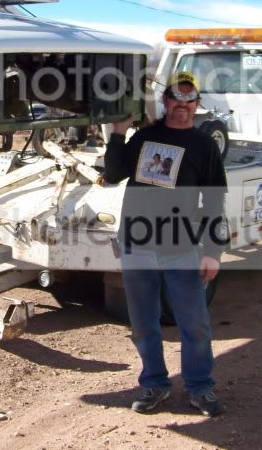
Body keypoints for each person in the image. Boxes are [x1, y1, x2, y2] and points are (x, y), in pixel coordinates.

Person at [103, 71, 228, 416]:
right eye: (176, 99)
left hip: (181, 248)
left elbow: (215, 202)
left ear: (197, 104)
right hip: (137, 246)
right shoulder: (145, 137)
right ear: (166, 101)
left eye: (190, 100)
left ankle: (200, 388)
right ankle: (154, 385)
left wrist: (214, 252)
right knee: (144, 324)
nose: (183, 106)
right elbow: (112, 174)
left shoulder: (204, 146)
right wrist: (118, 133)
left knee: (195, 326)